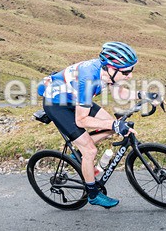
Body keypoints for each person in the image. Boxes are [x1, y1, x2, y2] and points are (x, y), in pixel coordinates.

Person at [37, 41, 141, 208]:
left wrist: (144, 95)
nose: (130, 76)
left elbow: (120, 93)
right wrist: (115, 125)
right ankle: (92, 193)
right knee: (91, 150)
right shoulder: (88, 80)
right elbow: (82, 121)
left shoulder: (107, 71)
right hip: (56, 104)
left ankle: (77, 154)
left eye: (131, 70)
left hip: (74, 98)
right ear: (111, 68)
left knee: (110, 125)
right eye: (126, 71)